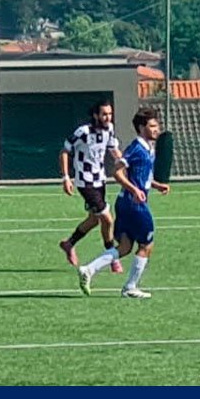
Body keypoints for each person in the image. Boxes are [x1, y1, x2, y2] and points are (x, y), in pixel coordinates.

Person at [78, 109, 171, 299]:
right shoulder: (136, 148)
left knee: (125, 247)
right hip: (133, 204)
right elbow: (118, 172)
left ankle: (89, 269)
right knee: (147, 245)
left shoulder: (148, 148)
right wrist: (134, 190)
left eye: (157, 125)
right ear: (141, 128)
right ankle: (130, 286)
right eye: (152, 126)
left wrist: (155, 185)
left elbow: (141, 176)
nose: (156, 129)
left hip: (127, 203)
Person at [58, 101, 125, 272]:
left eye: (110, 114)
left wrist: (125, 162)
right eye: (104, 114)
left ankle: (69, 243)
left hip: (100, 180)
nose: (107, 117)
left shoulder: (109, 129)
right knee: (107, 218)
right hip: (85, 182)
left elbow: (113, 149)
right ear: (95, 115)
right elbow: (65, 151)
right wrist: (66, 177)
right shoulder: (83, 132)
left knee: (94, 220)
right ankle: (111, 256)